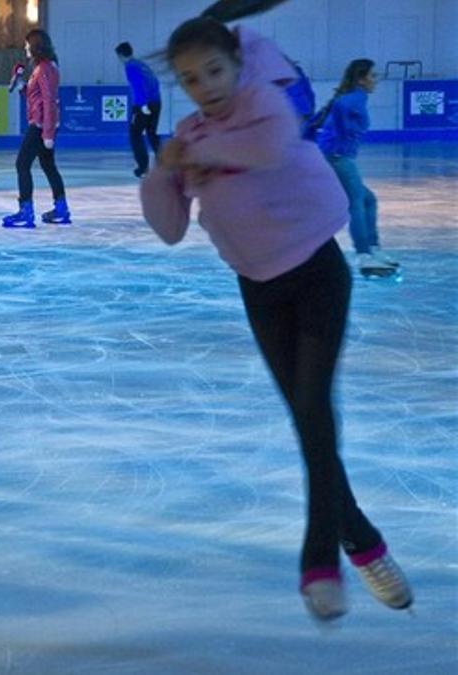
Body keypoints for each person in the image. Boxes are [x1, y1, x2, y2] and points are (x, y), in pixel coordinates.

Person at [138, 17, 412, 622]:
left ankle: (321, 561)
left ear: (236, 64)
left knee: (314, 409)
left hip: (317, 272)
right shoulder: (188, 132)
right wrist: (164, 169)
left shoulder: (264, 102)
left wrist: (199, 152)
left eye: (214, 70)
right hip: (258, 287)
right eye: (190, 78)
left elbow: (271, 146)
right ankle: (361, 538)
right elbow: (169, 228)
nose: (206, 86)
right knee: (307, 420)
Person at [316, 58, 399, 278]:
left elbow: (332, 111)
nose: (376, 80)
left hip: (336, 155)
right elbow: (339, 107)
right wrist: (343, 130)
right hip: (338, 157)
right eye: (372, 76)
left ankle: (372, 249)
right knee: (357, 203)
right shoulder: (354, 98)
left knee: (368, 200)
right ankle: (364, 255)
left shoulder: (355, 97)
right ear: (361, 79)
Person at [2, 29, 70, 228]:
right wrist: (22, 85)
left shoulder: (44, 69)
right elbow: (37, 97)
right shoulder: (43, 68)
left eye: (26, 45)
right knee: (48, 165)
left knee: (22, 164)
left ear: (35, 46)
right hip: (43, 123)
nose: (25, 48)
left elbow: (49, 100)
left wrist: (47, 133)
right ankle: (61, 208)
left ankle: (26, 211)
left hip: (40, 126)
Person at [115, 41, 162, 177]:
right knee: (152, 133)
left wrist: (143, 105)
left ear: (121, 55)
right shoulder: (142, 65)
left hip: (143, 104)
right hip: (156, 102)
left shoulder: (130, 67)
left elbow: (138, 86)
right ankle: (165, 164)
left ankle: (143, 167)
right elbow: (155, 82)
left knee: (135, 134)